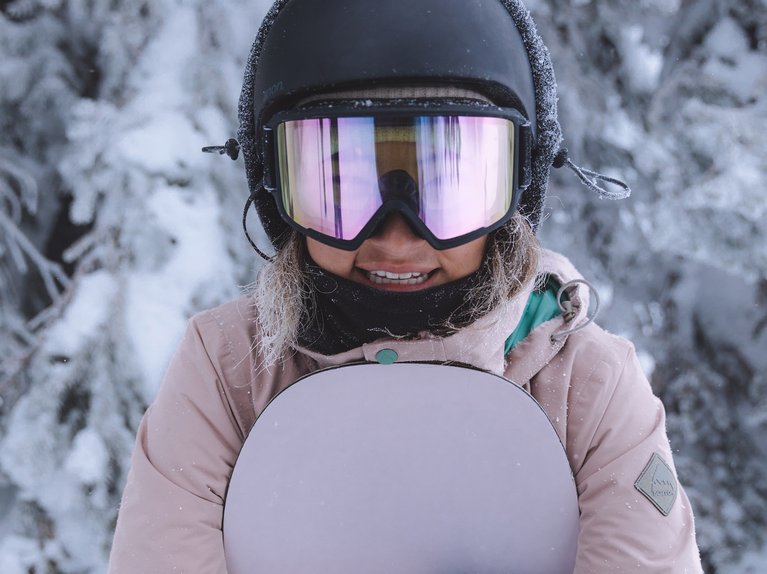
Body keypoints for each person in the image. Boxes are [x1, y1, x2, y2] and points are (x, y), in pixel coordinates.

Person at [108, 0, 703, 572]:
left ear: (516, 186)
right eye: (341, 185)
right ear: (277, 187)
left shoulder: (585, 388)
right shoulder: (230, 370)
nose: (396, 239)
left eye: (448, 187)